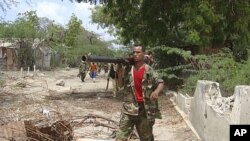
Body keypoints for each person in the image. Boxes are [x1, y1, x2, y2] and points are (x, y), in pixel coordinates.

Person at [115, 45, 164, 141]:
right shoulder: (129, 70)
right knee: (120, 137)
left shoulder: (149, 70)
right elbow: (120, 85)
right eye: (134, 52)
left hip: (144, 110)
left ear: (143, 54)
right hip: (129, 109)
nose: (135, 54)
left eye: (138, 52)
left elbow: (160, 82)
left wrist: (156, 91)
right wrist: (120, 74)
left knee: (147, 138)